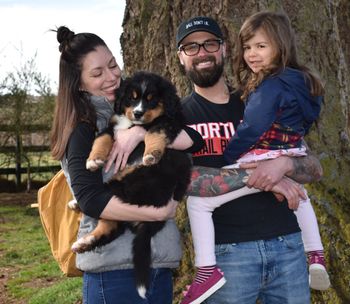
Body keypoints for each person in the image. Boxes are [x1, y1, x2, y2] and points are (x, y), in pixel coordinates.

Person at [176, 15, 325, 304]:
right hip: (228, 256)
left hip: (288, 247)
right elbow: (181, 181)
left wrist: (285, 165)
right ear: (180, 58)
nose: (202, 52)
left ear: (225, 49)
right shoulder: (176, 119)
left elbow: (312, 166)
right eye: (191, 47)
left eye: (209, 43)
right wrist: (265, 179)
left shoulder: (261, 97)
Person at [50, 26, 204, 304]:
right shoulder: (83, 129)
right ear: (79, 83)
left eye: (113, 65)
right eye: (97, 73)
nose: (111, 77)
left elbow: (194, 140)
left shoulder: (135, 107)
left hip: (159, 265)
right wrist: (156, 213)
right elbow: (91, 199)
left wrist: (142, 132)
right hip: (114, 272)